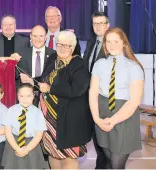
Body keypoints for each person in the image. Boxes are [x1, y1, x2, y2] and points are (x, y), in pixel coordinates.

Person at [89, 27, 144, 169]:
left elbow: (134, 101)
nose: (111, 45)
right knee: (108, 162)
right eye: (108, 42)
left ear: (124, 43)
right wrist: (97, 119)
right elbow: (93, 93)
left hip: (124, 117)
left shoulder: (134, 68)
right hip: (102, 116)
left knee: (117, 165)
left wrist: (112, 121)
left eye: (115, 41)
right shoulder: (99, 64)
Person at [38, 31, 92, 169]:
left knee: (69, 155)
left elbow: (76, 89)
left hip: (70, 120)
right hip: (49, 119)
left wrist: (50, 89)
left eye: (66, 46)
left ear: (73, 47)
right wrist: (32, 80)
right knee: (53, 153)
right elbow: (45, 79)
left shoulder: (79, 64)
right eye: (59, 44)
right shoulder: (52, 59)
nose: (62, 48)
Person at [83, 11, 110, 169]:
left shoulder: (113, 43)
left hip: (105, 99)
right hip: (90, 97)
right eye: (95, 24)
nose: (98, 26)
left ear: (108, 25)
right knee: (96, 137)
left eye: (101, 23)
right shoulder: (91, 42)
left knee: (105, 141)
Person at [1, 83, 48, 169]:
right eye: (21, 96)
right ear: (17, 96)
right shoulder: (11, 110)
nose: (25, 99)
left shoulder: (38, 113)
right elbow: (7, 132)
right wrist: (17, 148)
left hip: (31, 145)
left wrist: (27, 149)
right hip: (14, 144)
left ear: (33, 96)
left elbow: (39, 135)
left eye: (28, 96)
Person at [14, 25, 56, 106]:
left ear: (46, 37)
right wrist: (12, 62)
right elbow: (14, 75)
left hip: (48, 98)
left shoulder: (54, 55)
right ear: (30, 36)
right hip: (26, 98)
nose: (38, 39)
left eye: (41, 36)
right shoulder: (21, 53)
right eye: (35, 36)